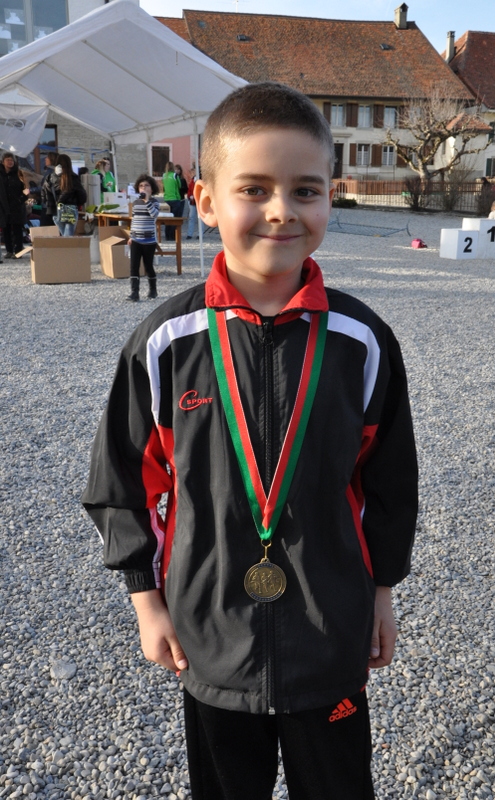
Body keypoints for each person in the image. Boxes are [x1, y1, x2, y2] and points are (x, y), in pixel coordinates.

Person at [82, 82, 418, 800]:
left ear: (330, 198)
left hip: (330, 636)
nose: (281, 210)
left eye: (305, 190)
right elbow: (122, 481)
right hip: (210, 639)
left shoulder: (361, 341)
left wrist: (381, 593)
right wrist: (147, 601)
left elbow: (390, 483)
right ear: (205, 201)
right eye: (254, 189)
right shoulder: (166, 342)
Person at [125, 173, 160, 301]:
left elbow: (154, 215)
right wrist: (131, 236)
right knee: (133, 266)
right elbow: (134, 220)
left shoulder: (154, 202)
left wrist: (147, 201)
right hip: (136, 239)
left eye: (146, 185)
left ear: (152, 188)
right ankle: (134, 292)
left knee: (148, 266)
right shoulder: (135, 203)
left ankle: (153, 289)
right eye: (141, 186)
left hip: (149, 240)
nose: (143, 188)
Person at [0, 152, 30, 257]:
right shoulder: (1, 175)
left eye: (12, 160)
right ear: (3, 162)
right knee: (6, 229)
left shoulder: (19, 173)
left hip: (17, 206)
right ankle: (9, 251)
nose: (10, 162)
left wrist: (21, 199)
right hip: (4, 207)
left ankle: (18, 251)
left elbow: (27, 189)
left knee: (18, 230)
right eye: (8, 160)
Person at [51, 154, 87, 236]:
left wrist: (55, 203)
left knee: (65, 236)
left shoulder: (52, 177)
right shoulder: (73, 177)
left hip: (57, 209)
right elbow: (81, 193)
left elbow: (46, 192)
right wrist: (78, 202)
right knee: (68, 237)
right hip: (70, 209)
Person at [161, 161, 184, 241]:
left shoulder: (164, 176)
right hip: (175, 199)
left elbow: (163, 187)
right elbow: (179, 185)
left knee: (167, 218)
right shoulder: (175, 175)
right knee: (174, 218)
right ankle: (172, 236)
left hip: (167, 199)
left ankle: (167, 235)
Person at [41, 152, 59, 226]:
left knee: (45, 228)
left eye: (47, 158)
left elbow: (44, 187)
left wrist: (30, 190)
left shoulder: (50, 172)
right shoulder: (57, 171)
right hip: (55, 204)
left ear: (52, 159)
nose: (45, 159)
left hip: (48, 204)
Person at [185, 166, 204, 239]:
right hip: (192, 201)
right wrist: (189, 196)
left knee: (200, 218)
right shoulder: (193, 179)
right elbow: (190, 189)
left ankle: (200, 234)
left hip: (200, 201)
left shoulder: (203, 180)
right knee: (191, 217)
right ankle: (190, 234)